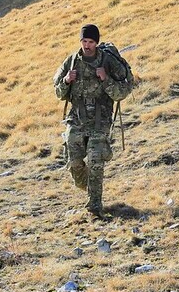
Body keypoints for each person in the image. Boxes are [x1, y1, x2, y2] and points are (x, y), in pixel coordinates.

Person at [53, 24, 131, 216]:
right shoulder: (71, 61)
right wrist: (66, 82)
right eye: (84, 41)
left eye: (91, 42)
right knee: (74, 164)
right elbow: (58, 93)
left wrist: (106, 79)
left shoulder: (107, 62)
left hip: (100, 119)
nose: (87, 45)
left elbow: (122, 92)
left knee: (95, 159)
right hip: (76, 119)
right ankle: (91, 187)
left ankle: (95, 207)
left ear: (96, 43)